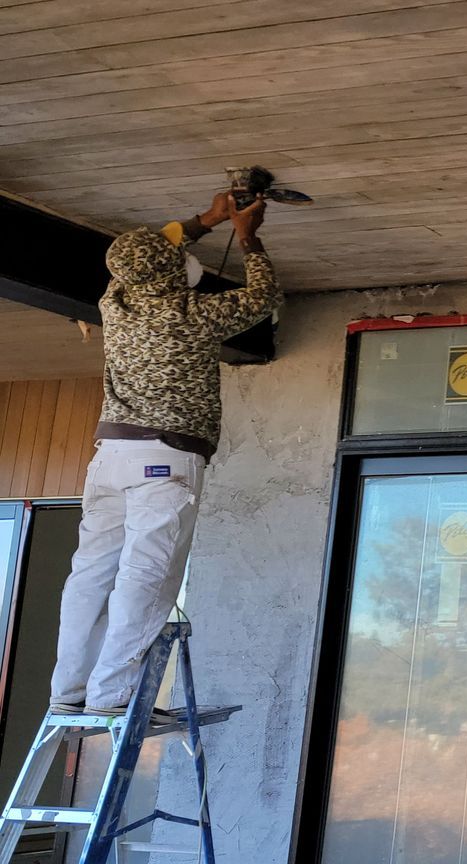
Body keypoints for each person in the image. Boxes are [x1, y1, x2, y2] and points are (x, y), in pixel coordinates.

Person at [50, 191, 280, 717]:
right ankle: (113, 697)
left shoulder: (116, 302)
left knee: (91, 573)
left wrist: (210, 218)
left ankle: (70, 693)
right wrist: (248, 236)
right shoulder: (191, 315)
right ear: (175, 272)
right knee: (145, 575)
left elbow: (143, 257)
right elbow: (262, 296)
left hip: (110, 457)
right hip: (165, 459)